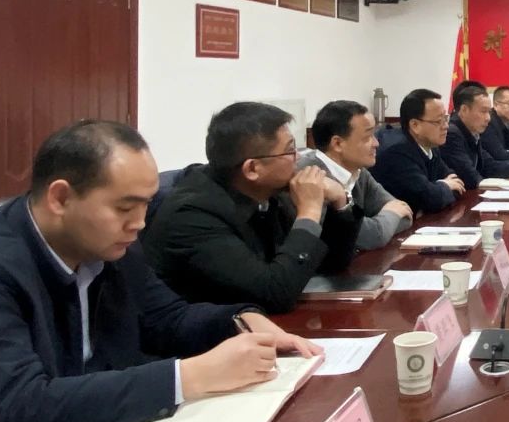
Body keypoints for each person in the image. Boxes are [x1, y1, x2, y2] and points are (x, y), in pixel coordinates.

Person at [0, 120, 320, 422]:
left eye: (146, 205)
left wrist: (238, 319)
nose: (138, 223)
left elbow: (166, 318)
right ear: (60, 198)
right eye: (125, 207)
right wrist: (189, 377)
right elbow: (17, 407)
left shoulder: (108, 244)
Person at [144, 102, 362, 313]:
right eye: (289, 151)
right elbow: (273, 294)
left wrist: (340, 202)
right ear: (252, 169)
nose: (298, 158)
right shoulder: (193, 215)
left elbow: (330, 265)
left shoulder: (269, 193)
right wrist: (309, 212)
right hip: (210, 332)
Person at [299, 100, 413, 250]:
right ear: (337, 143)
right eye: (367, 137)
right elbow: (371, 237)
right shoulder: (312, 178)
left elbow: (405, 215)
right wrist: (390, 215)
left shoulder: (358, 171)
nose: (376, 143)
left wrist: (384, 221)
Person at [371, 89, 466, 215]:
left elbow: (457, 184)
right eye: (439, 121)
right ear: (415, 125)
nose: (446, 126)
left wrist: (438, 188)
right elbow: (429, 199)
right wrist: (444, 186)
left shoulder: (430, 146)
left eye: (446, 118)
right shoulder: (396, 152)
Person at [443, 81, 509, 188]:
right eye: (483, 111)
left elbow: (488, 165)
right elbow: (470, 177)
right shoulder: (452, 134)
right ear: (464, 110)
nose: (488, 118)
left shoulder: (471, 131)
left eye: (489, 112)